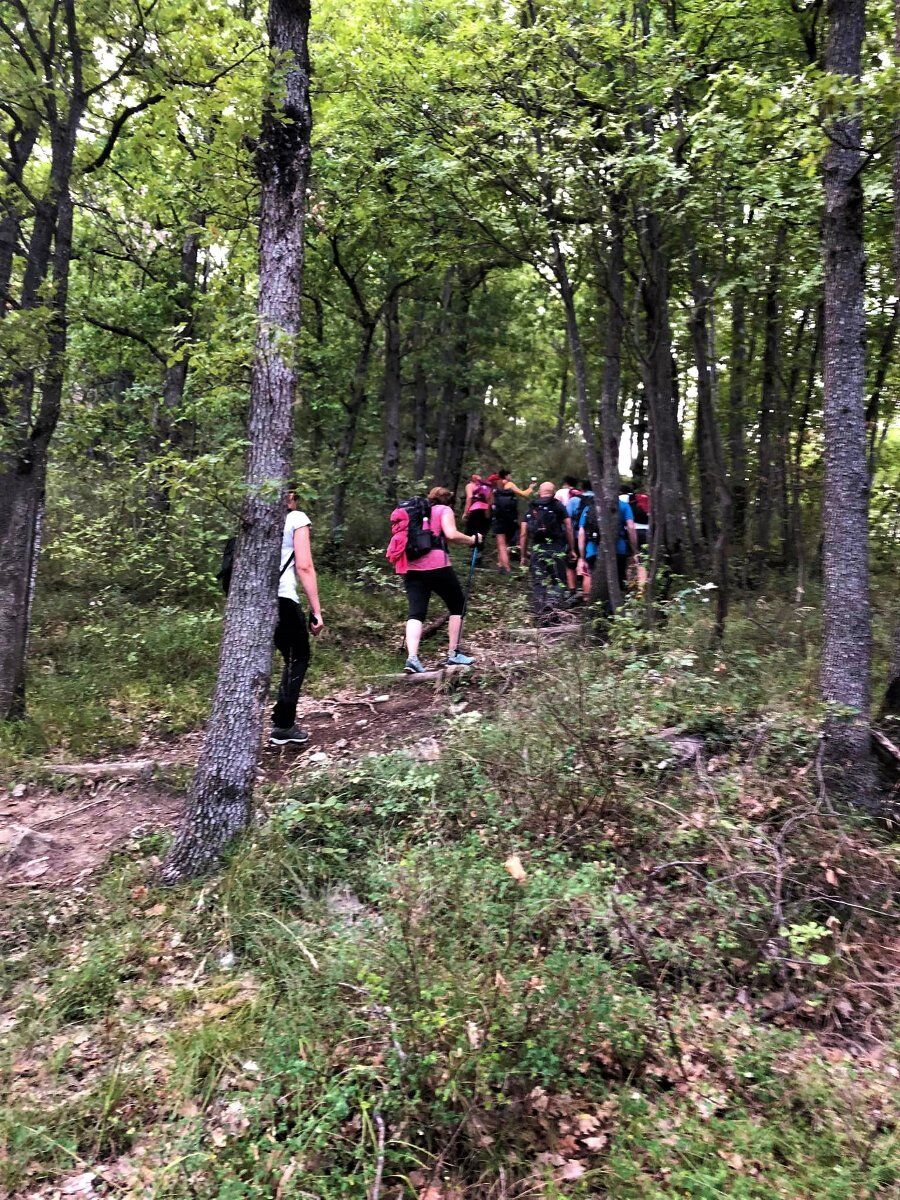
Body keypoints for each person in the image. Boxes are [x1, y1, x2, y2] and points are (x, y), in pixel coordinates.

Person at [403, 487, 481, 674]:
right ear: (449, 501)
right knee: (457, 605)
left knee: (416, 613)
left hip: (411, 566)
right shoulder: (443, 510)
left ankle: (412, 658)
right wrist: (472, 539)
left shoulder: (415, 512)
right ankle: (453, 654)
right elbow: (451, 534)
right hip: (437, 565)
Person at [270, 488, 325, 746]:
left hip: (251, 604)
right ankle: (282, 726)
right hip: (282, 598)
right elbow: (304, 565)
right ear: (291, 496)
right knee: (298, 656)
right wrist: (316, 611)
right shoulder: (296, 519)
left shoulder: (256, 517)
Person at [520, 481, 574, 624]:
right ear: (554, 492)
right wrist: (572, 549)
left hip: (537, 549)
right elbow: (568, 527)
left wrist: (523, 554)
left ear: (539, 491)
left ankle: (540, 616)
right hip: (556, 548)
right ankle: (552, 608)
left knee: (538, 582)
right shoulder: (558, 506)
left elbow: (523, 533)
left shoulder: (532, 507)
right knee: (558, 581)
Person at [579, 492, 639, 593]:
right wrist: (634, 550)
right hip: (618, 549)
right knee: (618, 579)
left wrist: (582, 557)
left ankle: (591, 603)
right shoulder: (623, 505)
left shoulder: (589, 507)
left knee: (593, 579)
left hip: (593, 550)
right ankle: (617, 606)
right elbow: (631, 527)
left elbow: (581, 532)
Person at [490, 468, 533, 574]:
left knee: (501, 544)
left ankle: (501, 565)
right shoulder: (510, 484)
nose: (511, 477)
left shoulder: (495, 486)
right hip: (510, 518)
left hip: (498, 517)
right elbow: (524, 494)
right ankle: (506, 568)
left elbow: (491, 502)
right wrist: (531, 488)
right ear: (506, 475)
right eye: (510, 475)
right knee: (506, 544)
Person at [462, 473, 492, 564]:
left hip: (475, 510)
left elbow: (470, 497)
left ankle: (474, 557)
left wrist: (465, 512)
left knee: (471, 532)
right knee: (482, 533)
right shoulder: (486, 487)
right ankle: (478, 556)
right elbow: (490, 500)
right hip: (487, 511)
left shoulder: (470, 485)